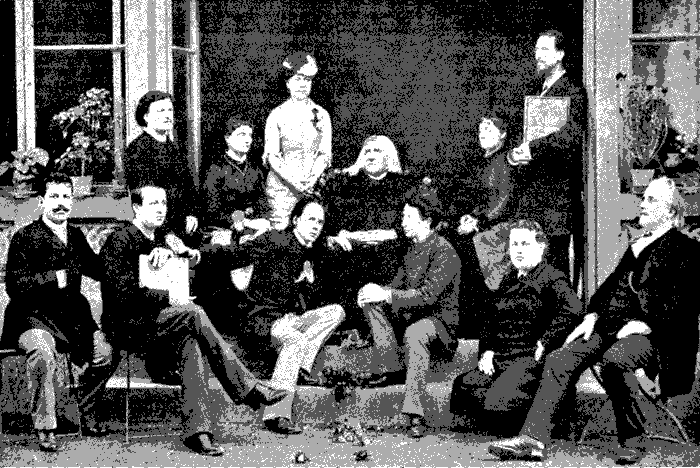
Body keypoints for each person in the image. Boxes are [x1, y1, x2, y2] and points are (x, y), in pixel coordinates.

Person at [488, 177, 700, 465]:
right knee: (560, 359)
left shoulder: (685, 249)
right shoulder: (637, 246)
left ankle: (633, 440)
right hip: (611, 328)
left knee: (615, 361)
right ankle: (533, 440)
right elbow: (607, 290)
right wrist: (592, 315)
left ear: (671, 211)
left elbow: (685, 303)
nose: (643, 204)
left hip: (657, 337)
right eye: (643, 198)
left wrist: (647, 324)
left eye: (652, 200)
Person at [97, 185, 290, 457]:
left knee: (192, 342)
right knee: (194, 313)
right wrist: (168, 296)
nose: (161, 209)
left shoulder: (163, 238)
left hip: (161, 323)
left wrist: (175, 256)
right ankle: (248, 388)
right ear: (136, 208)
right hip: (128, 325)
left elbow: (177, 271)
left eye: (163, 203)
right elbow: (121, 295)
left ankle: (198, 432)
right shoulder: (120, 240)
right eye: (153, 203)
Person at [202, 196, 349, 435]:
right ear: (296, 220)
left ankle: (300, 367)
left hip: (290, 319)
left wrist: (336, 240)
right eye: (310, 219)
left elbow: (327, 250)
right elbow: (235, 254)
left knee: (336, 311)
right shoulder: (275, 239)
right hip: (262, 319)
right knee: (295, 339)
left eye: (320, 222)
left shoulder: (314, 249)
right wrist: (197, 254)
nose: (315, 226)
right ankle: (276, 414)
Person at [0, 173, 112, 452]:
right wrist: (55, 278)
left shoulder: (75, 235)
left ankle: (84, 409)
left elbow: (99, 269)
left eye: (66, 197)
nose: (61, 203)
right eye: (54, 197)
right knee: (43, 351)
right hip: (31, 319)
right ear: (41, 201)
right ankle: (46, 426)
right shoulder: (24, 236)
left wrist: (124, 249)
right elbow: (14, 286)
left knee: (106, 352)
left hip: (70, 319)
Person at [449, 219, 583, 434]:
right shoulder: (509, 278)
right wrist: (488, 351)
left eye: (525, 244)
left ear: (541, 247)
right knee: (463, 387)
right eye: (514, 245)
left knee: (497, 404)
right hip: (502, 356)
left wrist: (546, 341)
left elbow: (572, 311)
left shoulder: (552, 277)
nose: (518, 250)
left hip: (529, 357)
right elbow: (491, 319)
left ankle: (551, 414)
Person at [357, 186, 461, 438]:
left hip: (439, 324)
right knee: (372, 301)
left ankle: (415, 412)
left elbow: (428, 296)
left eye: (408, 217)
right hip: (411, 318)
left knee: (415, 332)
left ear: (426, 220)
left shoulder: (444, 250)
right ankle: (392, 366)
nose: (403, 222)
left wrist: (387, 294)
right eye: (403, 216)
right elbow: (397, 287)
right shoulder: (412, 249)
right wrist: (374, 291)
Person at [508, 30, 588, 285]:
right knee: (531, 271)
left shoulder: (573, 91)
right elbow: (521, 135)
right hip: (533, 200)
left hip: (556, 201)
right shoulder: (535, 91)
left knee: (554, 270)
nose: (538, 55)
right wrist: (515, 155)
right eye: (536, 49)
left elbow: (570, 136)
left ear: (560, 54)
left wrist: (532, 149)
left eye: (544, 49)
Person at [323, 135, 409, 343]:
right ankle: (353, 330)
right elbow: (333, 224)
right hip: (353, 251)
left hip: (391, 248)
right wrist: (339, 236)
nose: (370, 156)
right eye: (367, 151)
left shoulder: (402, 186)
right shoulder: (348, 186)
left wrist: (389, 234)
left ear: (388, 156)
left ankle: (385, 331)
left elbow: (409, 225)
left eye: (377, 151)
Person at [199, 116, 270, 330]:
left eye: (250, 135)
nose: (247, 139)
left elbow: (263, 205)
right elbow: (211, 210)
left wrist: (257, 221)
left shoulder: (255, 170)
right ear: (227, 138)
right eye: (241, 134)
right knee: (225, 248)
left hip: (250, 227)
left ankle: (258, 316)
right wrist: (235, 220)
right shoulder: (215, 169)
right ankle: (227, 320)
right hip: (221, 227)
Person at [263, 52, 332, 230]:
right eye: (298, 79)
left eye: (307, 80)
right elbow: (272, 156)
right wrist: (295, 182)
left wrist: (311, 180)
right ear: (288, 82)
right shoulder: (276, 115)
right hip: (282, 191)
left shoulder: (322, 114)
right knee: (282, 235)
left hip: (312, 188)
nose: (303, 84)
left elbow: (324, 154)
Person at [124, 90, 201, 243]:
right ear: (146, 117)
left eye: (170, 110)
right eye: (160, 111)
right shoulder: (137, 150)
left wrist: (192, 214)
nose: (167, 115)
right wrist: (166, 234)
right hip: (156, 231)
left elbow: (189, 188)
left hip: (184, 227)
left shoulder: (174, 148)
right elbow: (145, 199)